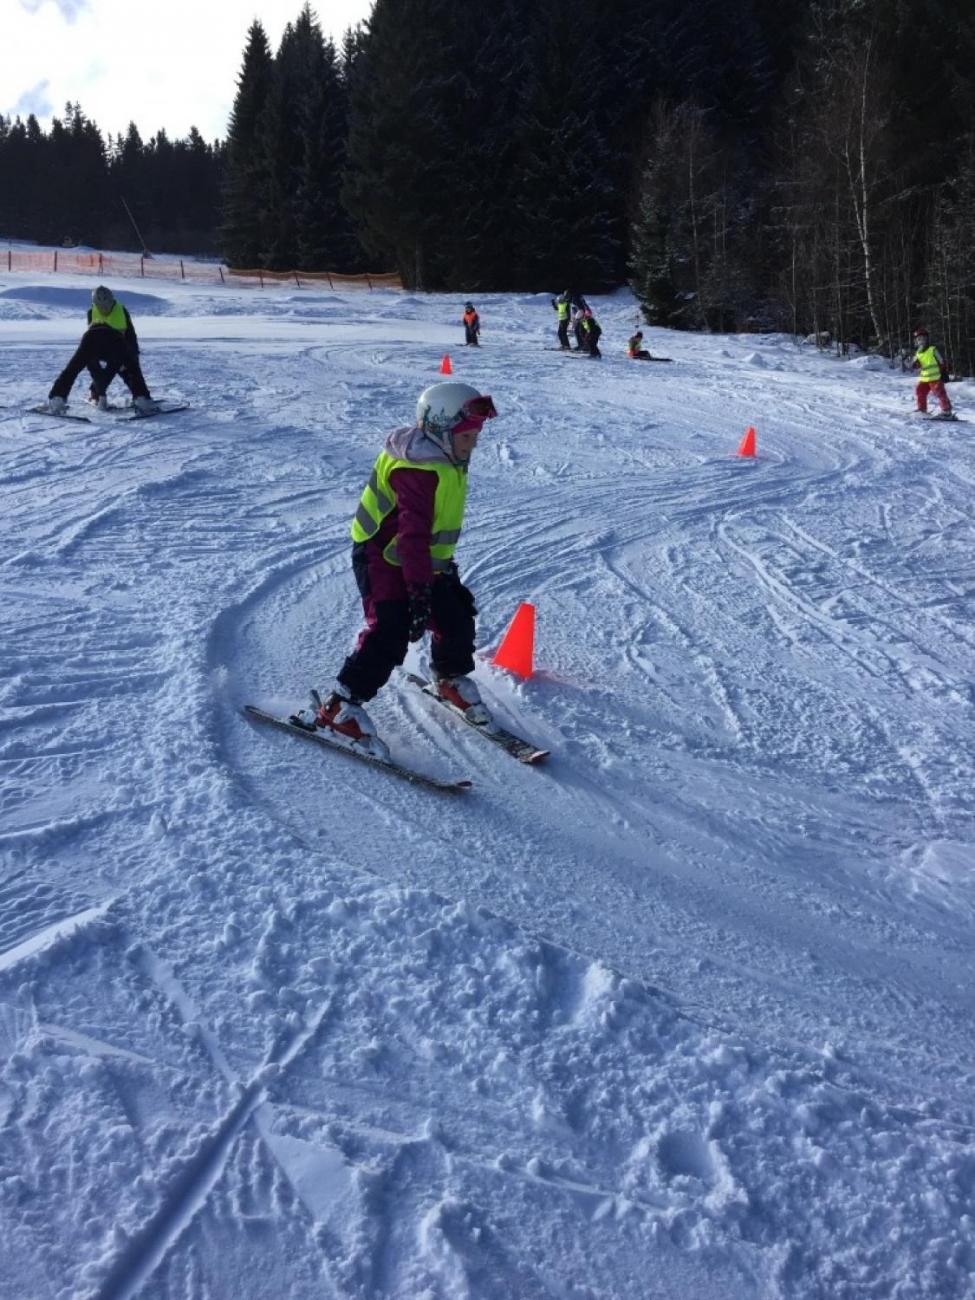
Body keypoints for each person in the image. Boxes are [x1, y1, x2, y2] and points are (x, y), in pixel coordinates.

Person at [291, 381, 498, 758]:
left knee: (455, 614)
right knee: (391, 627)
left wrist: (430, 583)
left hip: (421, 561)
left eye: (476, 434)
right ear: (438, 429)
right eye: (467, 435)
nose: (474, 443)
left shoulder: (445, 457)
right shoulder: (418, 471)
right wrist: (417, 593)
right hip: (382, 558)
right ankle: (340, 707)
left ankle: (449, 678)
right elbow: (412, 537)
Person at [46, 285, 159, 415]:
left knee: (74, 368)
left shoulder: (117, 311)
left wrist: (130, 358)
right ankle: (141, 399)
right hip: (105, 342)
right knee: (127, 368)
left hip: (103, 343)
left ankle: (60, 399)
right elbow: (127, 342)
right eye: (102, 306)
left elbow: (130, 337)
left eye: (107, 305)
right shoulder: (95, 312)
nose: (104, 309)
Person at [911, 327, 953, 417]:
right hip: (924, 378)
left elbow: (941, 361)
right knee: (920, 391)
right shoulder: (918, 353)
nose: (921, 341)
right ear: (916, 341)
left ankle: (946, 411)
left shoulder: (932, 349)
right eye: (919, 339)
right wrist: (915, 364)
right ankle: (922, 409)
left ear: (927, 339)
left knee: (939, 392)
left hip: (935, 377)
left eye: (923, 339)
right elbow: (915, 364)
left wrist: (944, 373)